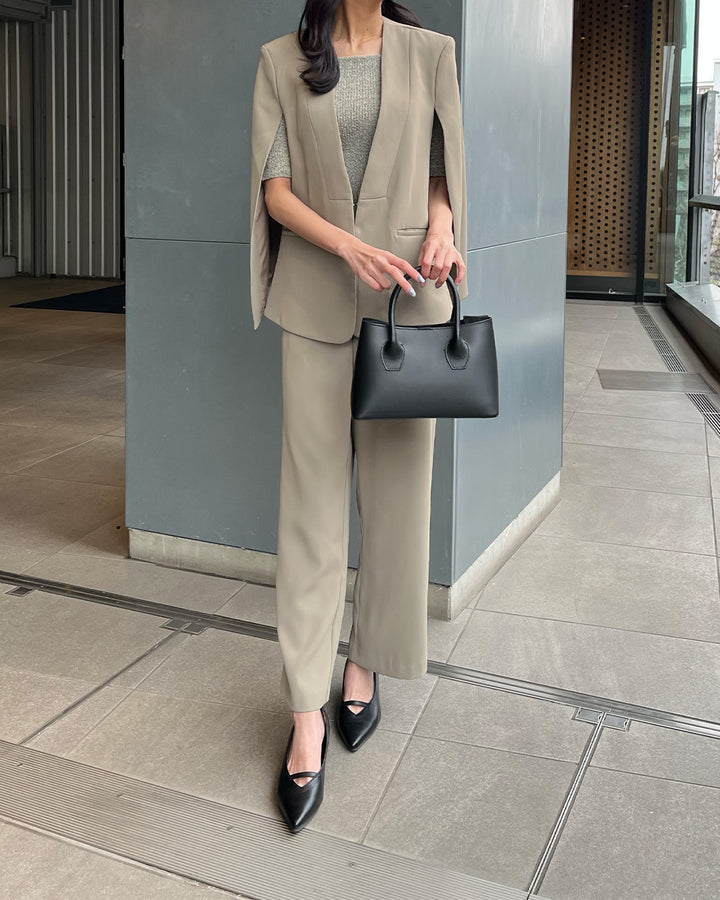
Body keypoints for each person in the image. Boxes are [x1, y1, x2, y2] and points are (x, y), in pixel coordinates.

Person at [249, 0, 467, 834]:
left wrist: (441, 232)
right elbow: (274, 193)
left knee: (398, 506)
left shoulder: (432, 52)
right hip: (313, 302)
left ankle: (365, 666)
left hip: (409, 303)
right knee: (309, 515)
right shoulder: (280, 59)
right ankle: (306, 714)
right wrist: (345, 244)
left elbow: (443, 176)